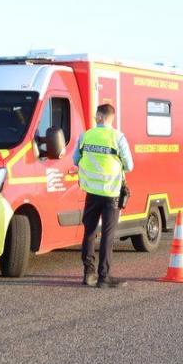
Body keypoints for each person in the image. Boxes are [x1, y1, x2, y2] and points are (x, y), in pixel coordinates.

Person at [74, 103, 134, 288]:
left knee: (89, 232)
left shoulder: (85, 136)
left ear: (100, 116)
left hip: (91, 192)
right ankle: (104, 277)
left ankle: (88, 273)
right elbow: (130, 166)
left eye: (96, 115)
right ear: (111, 118)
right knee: (107, 235)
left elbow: (75, 160)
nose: (94, 117)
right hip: (111, 193)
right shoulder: (118, 137)